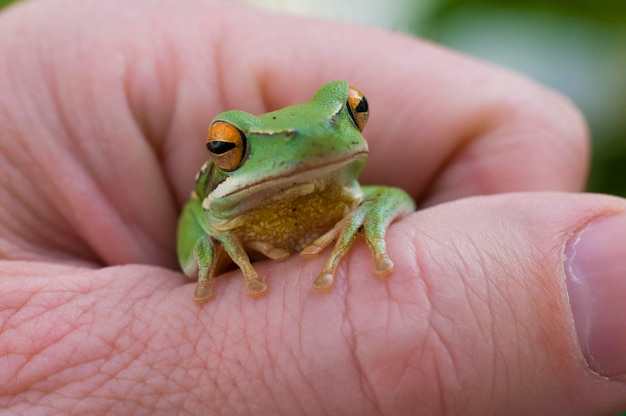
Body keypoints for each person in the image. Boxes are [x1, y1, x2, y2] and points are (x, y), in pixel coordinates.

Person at [0, 0, 624, 414]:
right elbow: (197, 230)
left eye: (352, 111)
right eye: (228, 145)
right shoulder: (213, 204)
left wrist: (372, 214)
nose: (324, 136)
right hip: (224, 228)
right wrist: (209, 244)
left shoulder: (349, 178)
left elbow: (393, 195)